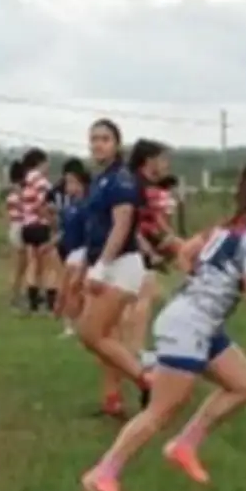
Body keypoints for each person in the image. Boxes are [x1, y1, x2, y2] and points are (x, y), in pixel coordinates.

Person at [80, 164, 246, 491]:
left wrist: (199, 282)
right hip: (189, 326)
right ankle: (102, 475)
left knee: (243, 384)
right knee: (160, 411)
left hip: (199, 323)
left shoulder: (227, 227)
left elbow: (185, 252)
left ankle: (184, 445)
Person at [77, 119, 151, 418]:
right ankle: (112, 399)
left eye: (105, 139)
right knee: (106, 336)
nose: (98, 144)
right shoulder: (102, 178)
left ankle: (148, 379)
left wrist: (102, 266)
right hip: (105, 262)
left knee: (91, 334)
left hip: (120, 264)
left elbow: (121, 225)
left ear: (117, 144)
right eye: (94, 138)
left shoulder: (121, 179)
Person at [122, 140, 172, 373]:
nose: (166, 164)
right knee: (143, 297)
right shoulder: (139, 187)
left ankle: (129, 349)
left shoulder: (137, 183)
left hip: (132, 249)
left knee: (132, 300)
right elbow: (133, 226)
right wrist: (149, 252)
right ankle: (136, 350)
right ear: (149, 161)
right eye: (162, 159)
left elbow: (156, 222)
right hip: (134, 250)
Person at [18, 148, 58, 315]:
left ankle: (33, 304)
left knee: (32, 264)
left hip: (27, 226)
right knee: (49, 266)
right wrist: (53, 223)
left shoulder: (25, 182)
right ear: (40, 162)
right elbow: (42, 205)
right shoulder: (41, 182)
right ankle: (50, 304)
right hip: (41, 225)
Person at [55, 165, 91, 338]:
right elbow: (64, 231)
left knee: (74, 289)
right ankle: (70, 325)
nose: (68, 186)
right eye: (67, 182)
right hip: (71, 251)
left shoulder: (87, 206)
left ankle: (75, 325)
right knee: (66, 289)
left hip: (83, 251)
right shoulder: (69, 207)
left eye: (72, 182)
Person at [4, 160, 28, 311]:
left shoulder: (9, 192)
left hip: (13, 227)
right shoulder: (20, 192)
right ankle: (15, 297)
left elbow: (6, 213)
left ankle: (15, 295)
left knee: (17, 266)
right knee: (21, 266)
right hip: (20, 227)